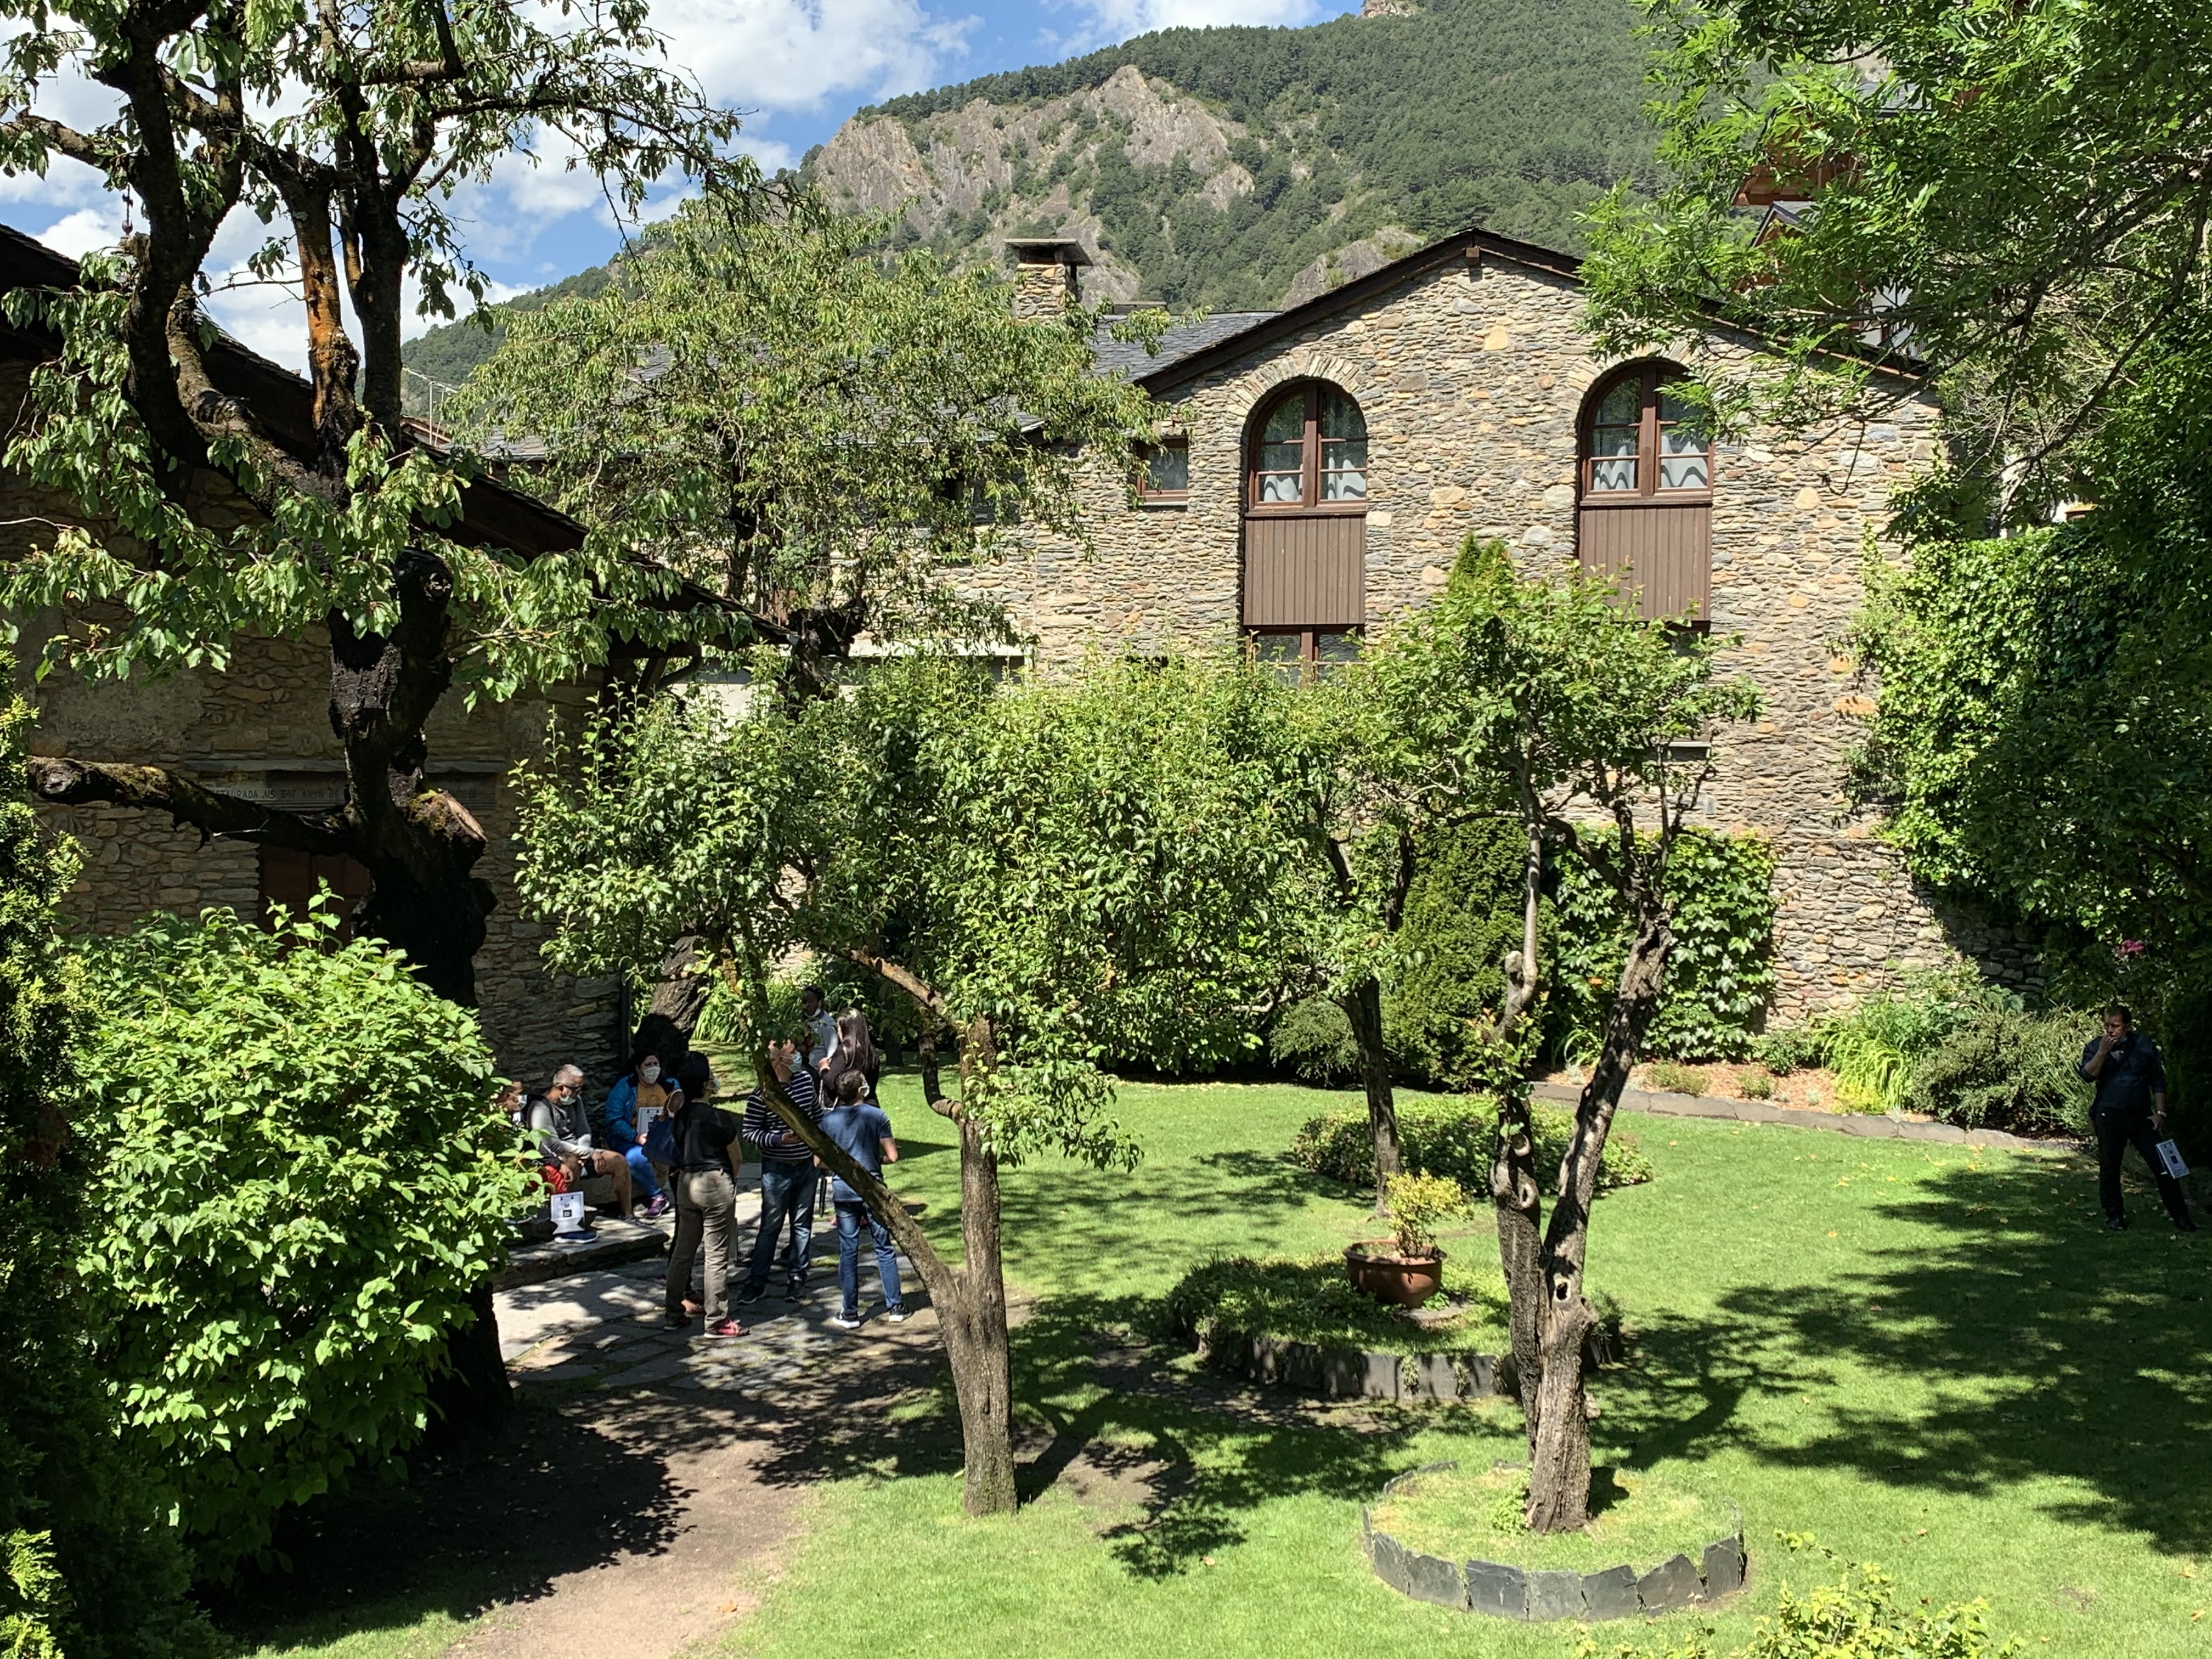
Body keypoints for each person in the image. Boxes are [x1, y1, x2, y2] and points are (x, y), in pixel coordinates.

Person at [2077, 1005, 2196, 1232]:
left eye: (2116, 1026)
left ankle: (2181, 1217)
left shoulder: (2144, 1046)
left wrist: (2160, 1113)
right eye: (2106, 1025)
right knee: (2110, 1168)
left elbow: (2158, 1081)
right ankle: (2115, 1216)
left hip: (2142, 1118)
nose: (2110, 1030)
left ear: (2127, 1027)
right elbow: (2087, 1076)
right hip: (2108, 1115)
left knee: (2164, 1164)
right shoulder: (2095, 1046)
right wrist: (2103, 1052)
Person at [819, 1068, 906, 1330]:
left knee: (849, 1250)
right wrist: (874, 1160)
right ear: (861, 1090)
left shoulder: (828, 1121)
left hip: (844, 1190)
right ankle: (895, 1305)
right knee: (884, 1247)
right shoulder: (876, 1116)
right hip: (873, 1187)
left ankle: (851, 1311)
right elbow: (893, 1156)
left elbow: (818, 1160)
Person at [664, 1054, 744, 1338]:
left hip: (687, 1183)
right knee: (716, 1256)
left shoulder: (681, 1116)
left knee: (683, 1252)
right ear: (707, 1085)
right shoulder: (719, 1118)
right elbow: (736, 1159)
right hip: (714, 1183)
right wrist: (730, 1185)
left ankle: (672, 1313)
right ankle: (716, 1320)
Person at [740, 1037, 822, 1304]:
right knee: (770, 1226)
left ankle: (797, 1277)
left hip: (806, 1165)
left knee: (802, 1224)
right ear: (777, 1061)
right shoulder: (761, 1095)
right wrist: (777, 1139)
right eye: (791, 1053)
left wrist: (819, 1148)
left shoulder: (806, 1082)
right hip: (777, 1168)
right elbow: (750, 1132)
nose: (796, 1057)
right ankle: (757, 1281)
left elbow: (817, 1115)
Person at [527, 1064, 634, 1219]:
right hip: (558, 1155)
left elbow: (584, 1131)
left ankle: (627, 1214)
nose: (579, 1093)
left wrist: (585, 1152)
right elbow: (552, 1144)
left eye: (581, 1088)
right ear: (560, 1087)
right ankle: (571, 1218)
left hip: (581, 1152)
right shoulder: (540, 1108)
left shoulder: (576, 1101)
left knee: (619, 1161)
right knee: (571, 1164)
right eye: (576, 1089)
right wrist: (588, 1154)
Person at [601, 1053, 673, 1220]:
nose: (653, 1068)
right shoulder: (625, 1087)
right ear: (638, 1069)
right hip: (627, 1137)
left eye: (656, 1063)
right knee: (636, 1157)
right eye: (648, 1065)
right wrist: (635, 1137)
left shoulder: (670, 1085)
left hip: (661, 1136)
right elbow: (613, 1120)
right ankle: (657, 1196)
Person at [802, 985, 839, 1094]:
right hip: (804, 1071)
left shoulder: (827, 1025)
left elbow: (832, 1053)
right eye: (804, 1002)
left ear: (820, 1003)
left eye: (811, 1002)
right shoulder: (802, 1022)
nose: (807, 1005)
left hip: (818, 1075)